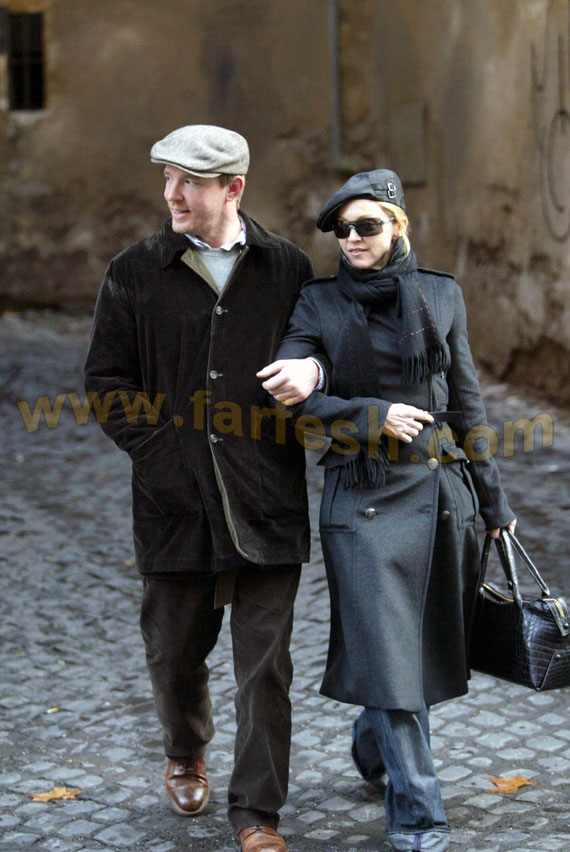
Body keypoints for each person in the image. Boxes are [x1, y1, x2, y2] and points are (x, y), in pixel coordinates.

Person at [258, 169, 517, 852]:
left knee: (412, 651)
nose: (351, 239)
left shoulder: (442, 294)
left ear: (398, 225)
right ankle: (419, 817)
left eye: (365, 226)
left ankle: (374, 742)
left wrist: (494, 500)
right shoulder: (318, 303)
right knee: (392, 654)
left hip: (440, 499)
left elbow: (467, 404)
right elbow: (294, 401)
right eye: (341, 230)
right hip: (362, 505)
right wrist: (371, 415)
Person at [84, 124, 322, 852]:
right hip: (174, 505)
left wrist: (314, 372)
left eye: (189, 180)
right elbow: (107, 383)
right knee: (174, 653)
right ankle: (185, 750)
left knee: (265, 670)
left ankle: (257, 814)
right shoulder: (134, 271)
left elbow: (321, 347)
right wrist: (165, 460)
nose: (172, 194)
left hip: (265, 497)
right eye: (167, 178)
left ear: (233, 188)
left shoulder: (287, 268)